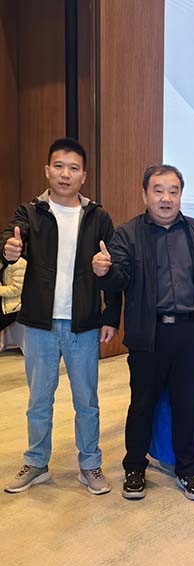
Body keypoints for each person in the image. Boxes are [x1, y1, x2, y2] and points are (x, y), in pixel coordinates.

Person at [92, 164, 194, 501]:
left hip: (190, 334)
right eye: (158, 190)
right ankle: (134, 468)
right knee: (142, 405)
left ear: (181, 195)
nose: (166, 198)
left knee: (187, 405)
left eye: (173, 191)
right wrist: (103, 271)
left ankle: (188, 470)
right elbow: (119, 279)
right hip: (148, 334)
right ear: (145, 195)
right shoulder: (127, 234)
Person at [1, 137, 121, 496]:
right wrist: (8, 250)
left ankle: (90, 464)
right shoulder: (30, 212)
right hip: (40, 324)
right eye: (58, 166)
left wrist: (111, 315)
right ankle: (36, 462)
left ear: (83, 175)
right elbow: (9, 238)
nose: (65, 174)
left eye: (73, 168)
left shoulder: (98, 217)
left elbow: (114, 270)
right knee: (39, 400)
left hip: (84, 324)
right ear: (47, 171)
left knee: (87, 401)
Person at [0, 257, 26, 332]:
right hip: (4, 304)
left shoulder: (19, 263)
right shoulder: (3, 262)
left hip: (12, 308)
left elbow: (17, 289)